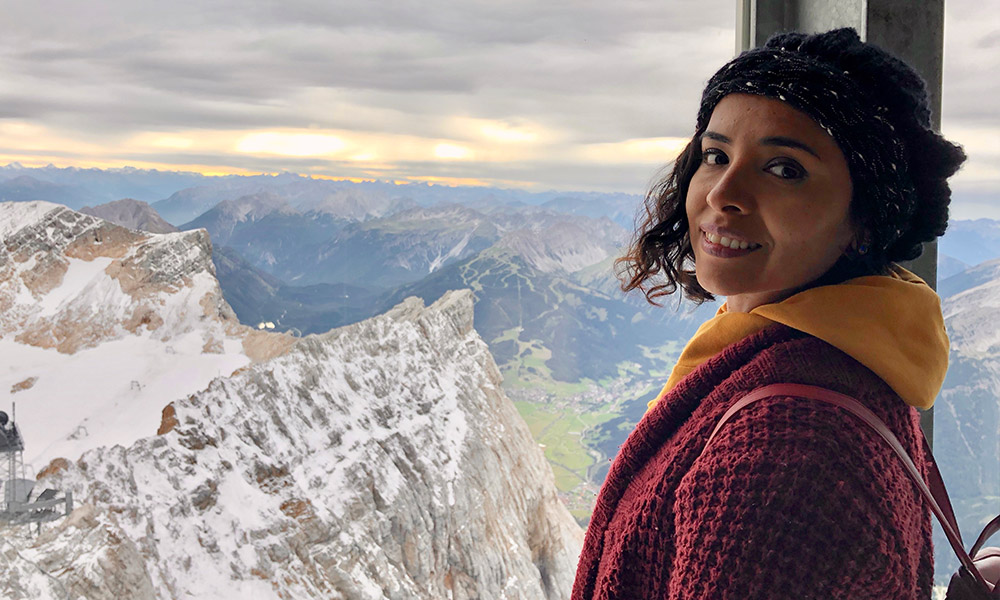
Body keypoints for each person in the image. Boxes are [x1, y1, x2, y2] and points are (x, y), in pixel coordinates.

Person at [571, 28, 966, 599]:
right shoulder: (849, 352)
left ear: (865, 221)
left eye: (785, 169)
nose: (722, 192)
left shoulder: (784, 457)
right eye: (716, 155)